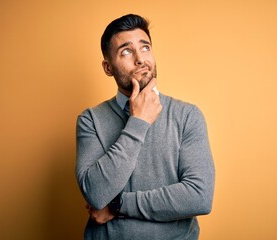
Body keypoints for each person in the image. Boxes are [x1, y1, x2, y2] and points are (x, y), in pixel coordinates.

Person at [76, 14, 215, 240]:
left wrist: (117, 205)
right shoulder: (90, 120)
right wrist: (138, 122)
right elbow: (96, 193)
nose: (140, 59)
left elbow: (198, 196)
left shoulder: (188, 116)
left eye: (145, 47)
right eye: (126, 51)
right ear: (108, 67)